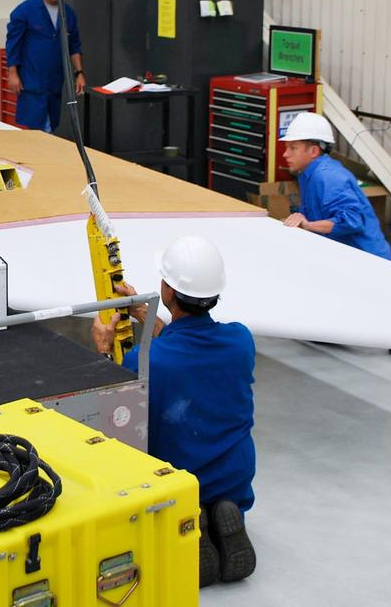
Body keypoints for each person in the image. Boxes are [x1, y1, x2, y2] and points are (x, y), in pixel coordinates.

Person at [91, 235, 257, 587]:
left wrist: (104, 352)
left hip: (180, 482)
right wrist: (144, 315)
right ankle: (224, 511)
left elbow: (116, 419)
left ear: (167, 291)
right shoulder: (241, 341)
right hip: (234, 479)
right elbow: (191, 351)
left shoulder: (145, 360)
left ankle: (192, 522)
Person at [280, 111, 391, 260]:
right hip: (345, 255)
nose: (285, 154)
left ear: (313, 151)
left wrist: (308, 225)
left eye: (293, 148)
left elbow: (352, 220)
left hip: (367, 260)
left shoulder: (328, 177)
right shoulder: (306, 174)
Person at [4, 0, 84, 132]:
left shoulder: (68, 15)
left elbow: (74, 45)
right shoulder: (25, 12)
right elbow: (13, 43)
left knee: (50, 127)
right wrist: (13, 73)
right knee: (39, 129)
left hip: (54, 84)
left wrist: (79, 72)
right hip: (32, 84)